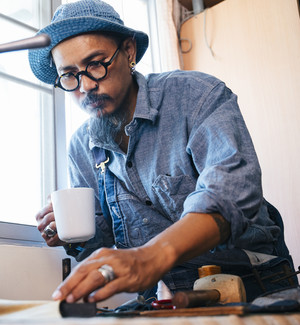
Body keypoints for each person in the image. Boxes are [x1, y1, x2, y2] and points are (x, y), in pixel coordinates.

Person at [29, 0, 297, 304]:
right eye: (69, 75)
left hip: (252, 283)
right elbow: (102, 237)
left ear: (128, 52)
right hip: (166, 296)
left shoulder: (195, 95)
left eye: (96, 64)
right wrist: (71, 236)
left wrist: (149, 257)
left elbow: (232, 195)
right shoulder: (82, 148)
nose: (86, 85)